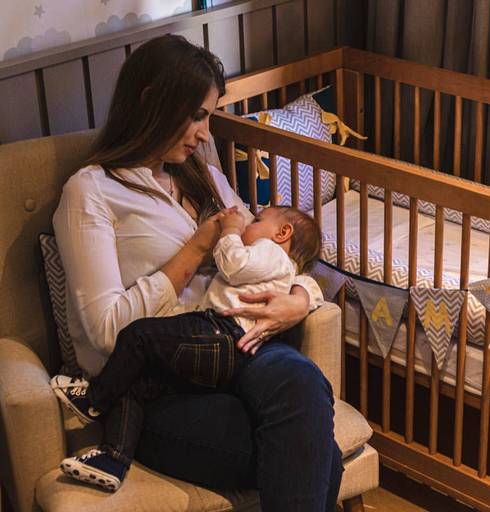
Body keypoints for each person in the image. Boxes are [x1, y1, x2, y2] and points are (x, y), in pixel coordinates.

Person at [51, 34, 341, 511]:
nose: (206, 133)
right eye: (199, 116)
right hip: (162, 383)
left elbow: (270, 250)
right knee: (318, 454)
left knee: (304, 385)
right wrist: (197, 246)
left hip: (243, 345)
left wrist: (301, 296)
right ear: (152, 101)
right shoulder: (92, 192)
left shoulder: (201, 173)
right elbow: (104, 335)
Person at [51, 206, 322, 492]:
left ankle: (94, 398)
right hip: (220, 340)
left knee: (140, 334)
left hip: (222, 334)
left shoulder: (269, 250)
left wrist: (230, 231)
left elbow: (234, 264)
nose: (246, 224)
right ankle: (112, 460)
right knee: (137, 381)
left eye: (257, 220)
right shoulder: (274, 257)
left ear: (282, 233)